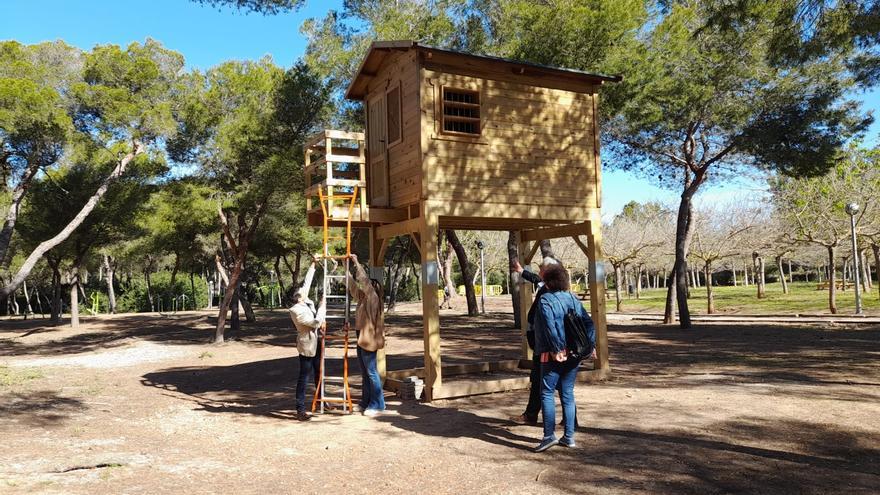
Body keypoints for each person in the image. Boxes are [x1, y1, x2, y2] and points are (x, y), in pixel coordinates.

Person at [533, 263, 596, 452]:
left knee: (546, 392)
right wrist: (590, 345)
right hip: (575, 352)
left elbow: (549, 327)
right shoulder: (572, 298)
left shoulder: (545, 300)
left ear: (548, 282)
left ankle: (548, 435)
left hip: (552, 354)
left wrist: (556, 348)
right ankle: (569, 437)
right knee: (567, 394)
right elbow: (589, 323)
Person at [510, 256, 559, 426]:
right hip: (543, 344)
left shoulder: (550, 290)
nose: (539, 272)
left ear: (547, 272)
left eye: (541, 269)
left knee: (540, 380)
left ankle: (532, 416)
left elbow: (550, 323)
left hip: (545, 345)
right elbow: (536, 279)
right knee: (556, 382)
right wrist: (521, 271)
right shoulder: (547, 285)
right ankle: (569, 419)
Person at [347, 253, 386, 416]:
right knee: (365, 372)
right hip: (361, 336)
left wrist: (356, 262)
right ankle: (366, 402)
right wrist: (345, 268)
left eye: (369, 286)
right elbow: (352, 286)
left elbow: (364, 281)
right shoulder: (362, 299)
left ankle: (378, 404)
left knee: (371, 372)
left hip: (369, 338)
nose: (365, 288)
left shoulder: (373, 299)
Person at [288, 257, 327, 421]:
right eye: (301, 293)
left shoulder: (303, 302)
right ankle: (300, 409)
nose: (304, 292)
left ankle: (320, 401)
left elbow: (307, 283)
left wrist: (313, 264)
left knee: (319, 372)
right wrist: (322, 306)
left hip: (316, 343)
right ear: (297, 297)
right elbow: (315, 322)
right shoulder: (296, 310)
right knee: (304, 377)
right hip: (307, 346)